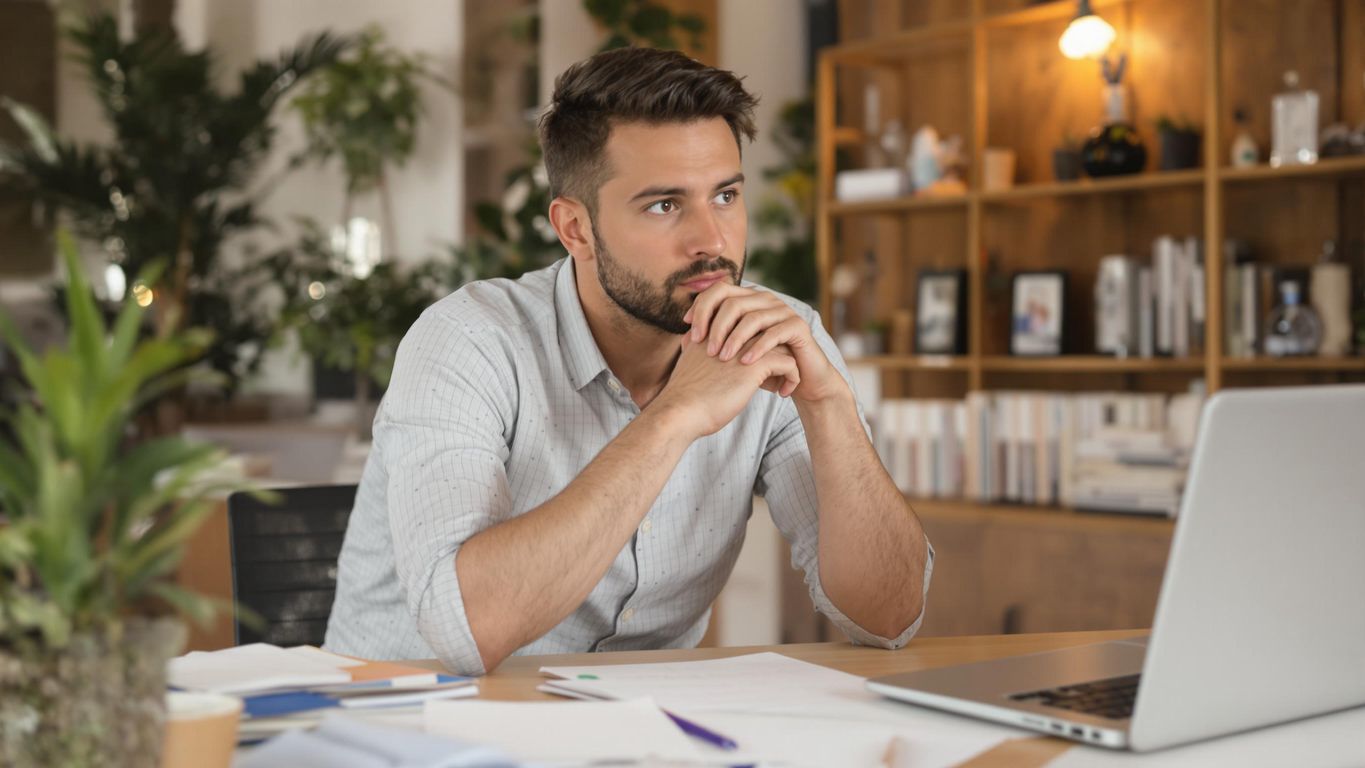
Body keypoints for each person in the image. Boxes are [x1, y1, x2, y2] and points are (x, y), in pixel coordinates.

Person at [325, 47, 933, 676]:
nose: (712, 241)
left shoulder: (779, 337)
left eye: (725, 195)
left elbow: (887, 618)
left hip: (631, 731)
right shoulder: (470, 340)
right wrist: (675, 415)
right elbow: (466, 630)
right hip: (401, 724)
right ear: (575, 230)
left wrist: (827, 404)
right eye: (664, 205)